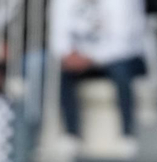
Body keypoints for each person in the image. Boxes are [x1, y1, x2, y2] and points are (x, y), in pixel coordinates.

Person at [51, 0, 146, 151]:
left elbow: (124, 42)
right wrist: (69, 55)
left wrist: (92, 57)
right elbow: (58, 37)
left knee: (121, 72)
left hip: (120, 58)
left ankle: (127, 133)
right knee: (61, 74)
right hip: (80, 59)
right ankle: (71, 133)